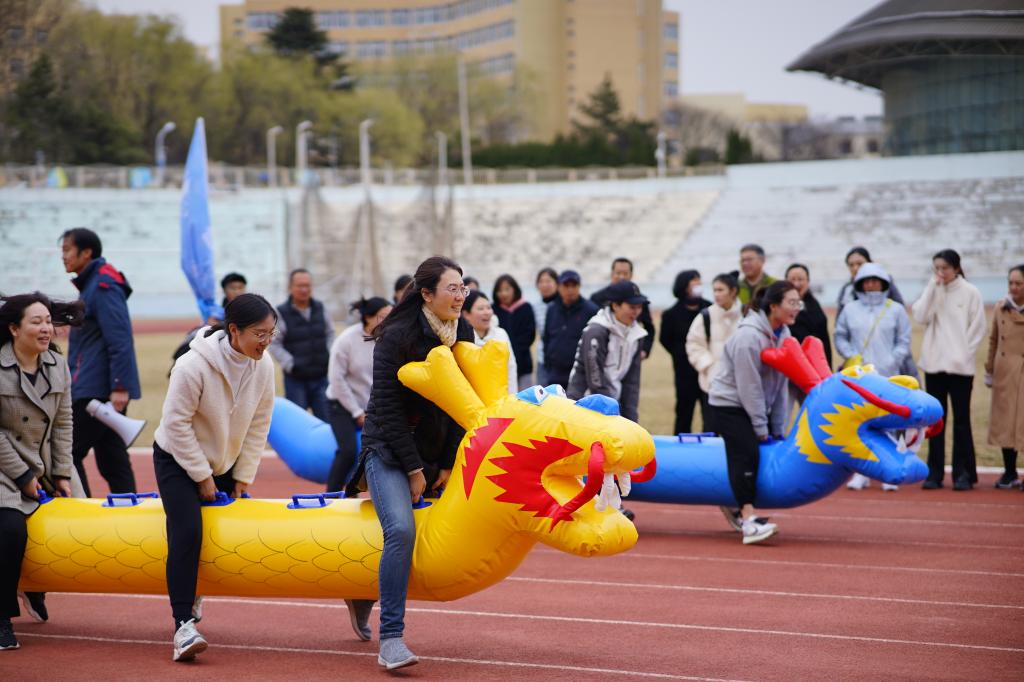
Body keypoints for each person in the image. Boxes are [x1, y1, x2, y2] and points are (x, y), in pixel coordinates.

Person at [346, 256, 473, 671]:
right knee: (401, 529)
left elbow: (464, 405)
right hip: (387, 448)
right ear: (427, 294)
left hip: (436, 453)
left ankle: (361, 590)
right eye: (452, 289)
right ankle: (391, 639)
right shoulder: (396, 335)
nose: (460, 296)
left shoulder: (462, 333)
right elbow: (387, 409)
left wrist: (447, 463)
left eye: (463, 288)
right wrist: (415, 470)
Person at [153, 294, 277, 662]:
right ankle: (182, 625)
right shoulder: (192, 365)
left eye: (271, 333)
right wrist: (202, 476)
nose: (266, 341)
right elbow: (175, 425)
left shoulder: (264, 365)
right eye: (259, 334)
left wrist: (243, 475)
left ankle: (195, 591)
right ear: (234, 330)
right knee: (188, 531)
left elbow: (260, 422)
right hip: (177, 458)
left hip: (224, 462)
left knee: (227, 529)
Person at [0, 293, 86, 651]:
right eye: (36, 322)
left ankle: (35, 585)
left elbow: (64, 422)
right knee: (9, 528)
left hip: (47, 462)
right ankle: (3, 618)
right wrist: (23, 477)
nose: (46, 328)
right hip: (5, 466)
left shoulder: (56, 364)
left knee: (80, 523)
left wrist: (63, 473)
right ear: (14, 329)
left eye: (49, 321)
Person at [708, 281, 800, 544]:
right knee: (747, 453)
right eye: (791, 303)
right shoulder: (749, 337)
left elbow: (781, 385)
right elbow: (749, 387)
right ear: (774, 306)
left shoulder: (785, 335)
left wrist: (778, 428)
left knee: (761, 450)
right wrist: (761, 427)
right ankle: (748, 521)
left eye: (798, 302)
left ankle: (734, 504)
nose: (797, 308)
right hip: (728, 403)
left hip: (755, 404)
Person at [60, 227, 140, 497]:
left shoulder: (104, 286)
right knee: (112, 457)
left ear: (86, 253)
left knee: (66, 453)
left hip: (95, 389)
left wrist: (120, 386)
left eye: (67, 250)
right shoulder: (92, 284)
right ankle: (129, 509)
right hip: (94, 384)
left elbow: (120, 338)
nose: (63, 256)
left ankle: (81, 510)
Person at [912, 249, 986, 491]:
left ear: (956, 268)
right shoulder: (933, 289)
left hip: (961, 369)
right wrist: (932, 288)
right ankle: (934, 473)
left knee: (961, 420)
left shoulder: (970, 292)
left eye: (945, 268)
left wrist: (964, 355)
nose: (940, 272)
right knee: (936, 420)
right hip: (934, 366)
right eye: (937, 268)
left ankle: (963, 473)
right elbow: (920, 315)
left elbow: (978, 328)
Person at [834, 263, 911, 491]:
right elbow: (840, 336)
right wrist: (852, 356)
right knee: (862, 424)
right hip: (861, 377)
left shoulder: (895, 309)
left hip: (889, 376)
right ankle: (862, 472)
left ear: (884, 283)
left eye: (875, 280)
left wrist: (892, 360)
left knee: (890, 424)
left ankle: (890, 472)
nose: (871, 285)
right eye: (866, 281)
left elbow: (904, 340)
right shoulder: (850, 309)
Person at [325, 297, 392, 493]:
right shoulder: (347, 340)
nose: (388, 321)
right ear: (368, 317)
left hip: (373, 406)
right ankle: (332, 495)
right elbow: (336, 379)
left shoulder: (388, 339)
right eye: (383, 317)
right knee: (348, 451)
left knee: (376, 452)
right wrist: (356, 412)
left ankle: (355, 494)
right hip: (341, 405)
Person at [566, 280, 649, 423]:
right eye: (631, 307)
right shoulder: (596, 331)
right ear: (615, 305)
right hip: (584, 403)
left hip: (611, 404)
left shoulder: (637, 335)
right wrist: (612, 414)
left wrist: (631, 419)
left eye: (639, 307)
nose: (636, 312)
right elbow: (595, 379)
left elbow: (632, 383)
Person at [269, 269, 335, 422]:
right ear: (290, 287)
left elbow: (330, 333)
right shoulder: (280, 313)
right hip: (296, 380)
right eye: (300, 286)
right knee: (297, 422)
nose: (304, 289)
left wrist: (328, 355)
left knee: (327, 422)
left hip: (321, 377)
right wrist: (290, 364)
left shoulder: (320, 308)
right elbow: (274, 342)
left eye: (307, 285)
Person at [984, 264, 1024, 490]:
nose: (1014, 287)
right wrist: (989, 369)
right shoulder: (1001, 308)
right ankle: (1009, 472)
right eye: (1011, 283)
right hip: (1005, 371)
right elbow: (993, 340)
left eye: (1019, 283)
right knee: (1005, 421)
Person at [659, 270, 710, 433]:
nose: (698, 285)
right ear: (684, 286)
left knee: (710, 414)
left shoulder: (709, 309)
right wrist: (680, 354)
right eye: (694, 282)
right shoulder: (671, 314)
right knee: (684, 412)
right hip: (684, 371)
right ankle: (681, 442)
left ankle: (712, 443)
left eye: (699, 281)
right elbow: (665, 339)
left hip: (708, 369)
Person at [685, 273, 743, 411]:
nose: (716, 294)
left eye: (721, 290)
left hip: (741, 385)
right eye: (714, 290)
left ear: (733, 291)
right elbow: (693, 344)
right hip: (711, 385)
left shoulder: (746, 315)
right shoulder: (705, 316)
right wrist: (710, 367)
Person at [543, 270, 599, 389]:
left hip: (580, 373)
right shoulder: (552, 309)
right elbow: (546, 338)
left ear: (579, 287)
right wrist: (549, 365)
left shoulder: (591, 310)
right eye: (566, 286)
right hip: (555, 372)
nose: (570, 290)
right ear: (559, 287)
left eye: (574, 286)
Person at [591, 258, 655, 359]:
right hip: (601, 353)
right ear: (612, 274)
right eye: (618, 273)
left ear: (631, 275)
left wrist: (644, 350)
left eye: (625, 273)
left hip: (629, 354)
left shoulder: (640, 301)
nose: (621, 277)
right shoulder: (597, 298)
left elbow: (649, 328)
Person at [462, 290, 517, 392]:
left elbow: (510, 367)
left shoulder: (501, 334)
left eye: (488, 307)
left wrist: (512, 395)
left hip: (500, 394)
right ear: (466, 314)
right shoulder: (461, 339)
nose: (487, 312)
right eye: (480, 309)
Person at [492, 274, 535, 391]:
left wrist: (514, 351)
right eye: (500, 290)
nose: (503, 293)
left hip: (524, 363)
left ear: (515, 289)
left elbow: (530, 334)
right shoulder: (493, 310)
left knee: (526, 397)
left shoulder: (526, 307)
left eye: (507, 289)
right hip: (500, 364)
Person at [785, 264, 833, 368]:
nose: (796, 283)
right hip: (790, 363)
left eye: (800, 279)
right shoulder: (780, 307)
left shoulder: (814, 306)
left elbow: (824, 341)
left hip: (814, 364)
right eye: (792, 279)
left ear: (808, 281)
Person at [836, 247, 905, 315]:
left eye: (859, 263)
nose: (855, 268)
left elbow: (899, 309)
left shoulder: (885, 282)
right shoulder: (847, 289)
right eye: (851, 265)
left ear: (869, 262)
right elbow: (840, 316)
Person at [533, 267, 559, 386]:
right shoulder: (535, 307)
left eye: (548, 281)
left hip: (561, 359)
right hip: (542, 358)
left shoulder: (563, 306)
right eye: (541, 282)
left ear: (557, 284)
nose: (544, 285)